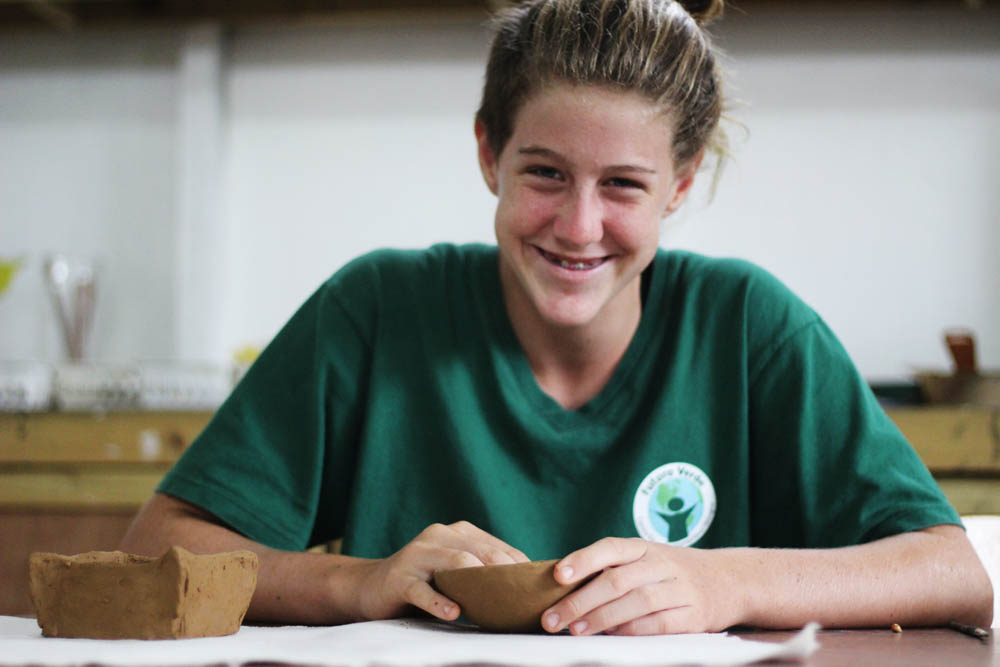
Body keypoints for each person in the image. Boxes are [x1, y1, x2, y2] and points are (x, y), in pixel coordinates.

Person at [121, 0, 993, 635]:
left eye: (623, 185)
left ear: (679, 186)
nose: (579, 227)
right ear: (488, 154)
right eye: (544, 173)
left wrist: (724, 581)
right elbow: (159, 545)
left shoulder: (748, 326)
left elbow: (955, 570)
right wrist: (359, 581)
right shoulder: (378, 309)